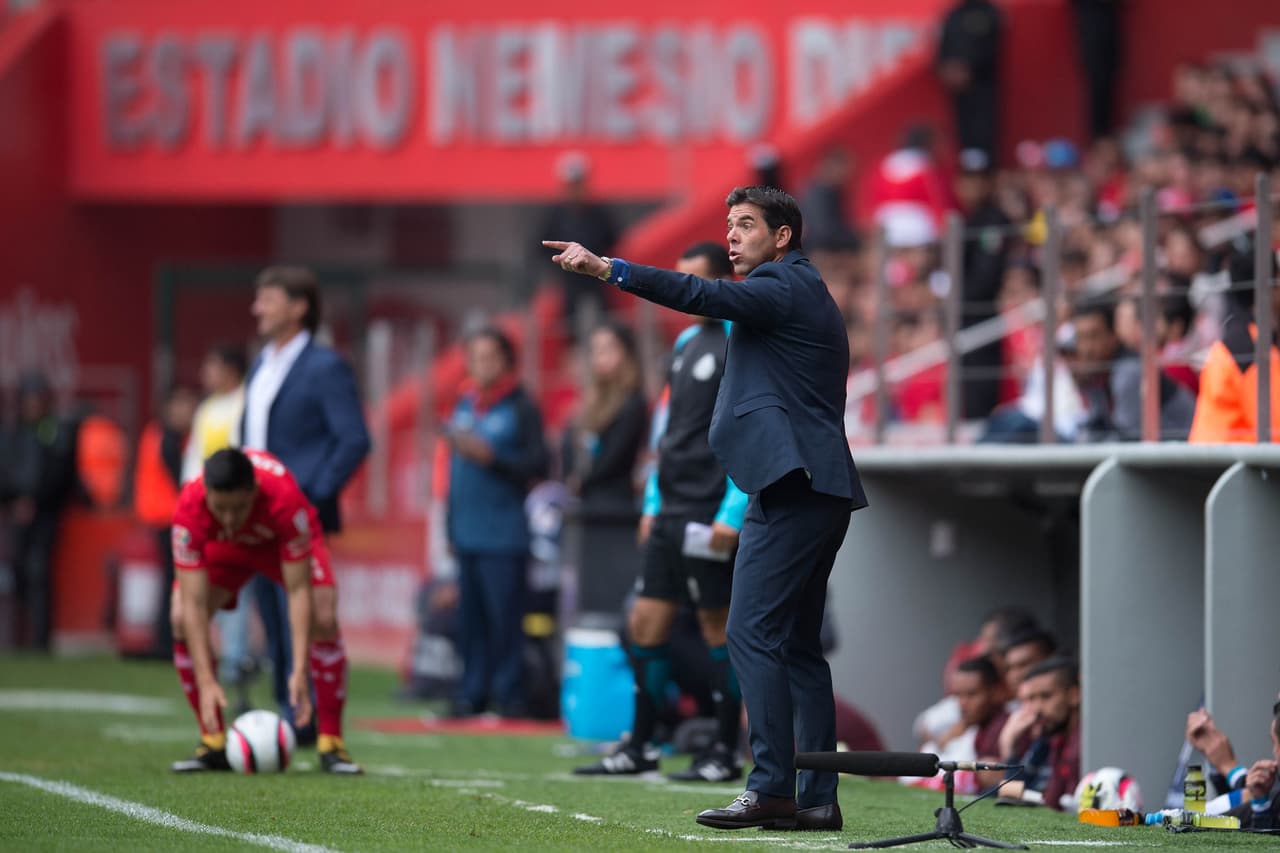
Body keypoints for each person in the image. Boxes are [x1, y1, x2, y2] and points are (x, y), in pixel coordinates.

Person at [545, 184, 866, 832]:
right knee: (797, 648)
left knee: (750, 632)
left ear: (782, 236)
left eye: (746, 224)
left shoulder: (782, 284)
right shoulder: (797, 289)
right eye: (729, 224)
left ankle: (771, 786)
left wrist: (609, 269)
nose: (732, 236)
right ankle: (816, 796)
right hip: (812, 486)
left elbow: (702, 294)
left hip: (791, 487)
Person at [574, 242, 749, 783]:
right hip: (671, 507)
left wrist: (732, 511)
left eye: (695, 281)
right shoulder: (684, 343)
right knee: (645, 623)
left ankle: (725, 749)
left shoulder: (740, 340)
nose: (685, 292)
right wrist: (652, 499)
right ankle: (641, 744)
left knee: (717, 629)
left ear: (720, 284)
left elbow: (748, 432)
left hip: (708, 509)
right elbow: (666, 432)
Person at [168, 448, 361, 774]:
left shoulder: (283, 499)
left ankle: (331, 743)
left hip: (276, 546)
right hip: (226, 549)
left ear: (254, 492)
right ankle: (213, 742)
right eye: (220, 509)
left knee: (323, 616)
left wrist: (299, 669)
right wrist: (206, 680)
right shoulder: (189, 507)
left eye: (239, 508)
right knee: (179, 619)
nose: (230, 519)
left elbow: (298, 591)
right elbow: (194, 604)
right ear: (207, 494)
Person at [242, 266, 371, 738]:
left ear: (299, 307)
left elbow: (353, 439)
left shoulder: (325, 366)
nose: (257, 308)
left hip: (295, 519)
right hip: (254, 517)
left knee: (306, 619)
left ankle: (315, 717)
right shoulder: (261, 364)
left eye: (268, 299)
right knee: (273, 621)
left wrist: (310, 497)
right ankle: (290, 712)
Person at [445, 327, 549, 718]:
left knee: (504, 621)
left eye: (489, 356)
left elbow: (539, 465)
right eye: (475, 357)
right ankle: (471, 694)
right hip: (466, 532)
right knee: (469, 622)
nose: (481, 365)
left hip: (504, 535)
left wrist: (493, 460)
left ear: (506, 360)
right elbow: (453, 475)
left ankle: (509, 696)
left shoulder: (521, 406)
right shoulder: (465, 403)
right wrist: (450, 527)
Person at [180, 343, 253, 706]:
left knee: (235, 590)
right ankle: (226, 663)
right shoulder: (207, 409)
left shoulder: (246, 402)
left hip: (238, 511)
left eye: (211, 366)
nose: (205, 374)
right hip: (206, 511)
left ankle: (237, 663)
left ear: (229, 369)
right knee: (206, 590)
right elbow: (194, 457)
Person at [1, 372, 78, 650]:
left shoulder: (54, 430)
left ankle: (40, 640)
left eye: (36, 398)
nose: (32, 404)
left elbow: (61, 473)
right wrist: (13, 500)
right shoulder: (12, 432)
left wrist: (36, 501)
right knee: (17, 574)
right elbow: (5, 470)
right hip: (15, 515)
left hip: (45, 515)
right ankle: (18, 637)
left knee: (39, 573)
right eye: (28, 398)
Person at [1071, 297, 1196, 441]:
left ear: (1113, 335)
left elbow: (1129, 440)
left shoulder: (1129, 372)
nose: (1086, 348)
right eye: (1080, 338)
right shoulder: (1096, 372)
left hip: (1188, 447)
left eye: (1094, 336)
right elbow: (1095, 427)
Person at [1189, 247, 1280, 442]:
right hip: (1231, 457)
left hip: (1222, 456)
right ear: (1269, 287)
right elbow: (1274, 427)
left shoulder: (1242, 338)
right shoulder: (1252, 349)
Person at [133, 384, 198, 657]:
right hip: (170, 518)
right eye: (183, 405)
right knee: (176, 581)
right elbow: (181, 478)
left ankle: (166, 641)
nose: (189, 411)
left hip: (162, 517)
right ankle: (167, 641)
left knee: (172, 580)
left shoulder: (156, 433)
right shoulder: (168, 438)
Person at [560, 322, 648, 510]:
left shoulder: (632, 402)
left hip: (614, 503)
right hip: (586, 500)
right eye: (596, 350)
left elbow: (615, 456)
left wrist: (582, 480)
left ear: (626, 353)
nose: (600, 356)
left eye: (608, 348)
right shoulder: (589, 401)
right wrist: (571, 477)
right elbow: (569, 443)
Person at [955, 148, 1012, 419]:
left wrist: (949, 297)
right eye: (967, 178)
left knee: (979, 400)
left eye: (978, 178)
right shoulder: (964, 221)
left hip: (982, 319)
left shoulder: (994, 221)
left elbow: (985, 280)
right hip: (962, 319)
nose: (972, 185)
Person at [996, 657, 1081, 810]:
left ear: (1074, 695)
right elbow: (1011, 793)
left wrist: (1009, 746)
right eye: (1032, 699)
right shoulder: (1053, 738)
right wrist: (1009, 746)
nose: (1037, 708)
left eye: (1046, 696)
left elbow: (1048, 802)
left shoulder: (1081, 742)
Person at [936, 0, 1003, 162]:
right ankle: (965, 166)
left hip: (980, 83)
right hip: (956, 84)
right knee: (962, 128)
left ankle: (984, 168)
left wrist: (968, 68)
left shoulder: (988, 12)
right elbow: (944, 43)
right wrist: (946, 67)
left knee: (982, 128)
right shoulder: (954, 13)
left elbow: (990, 45)